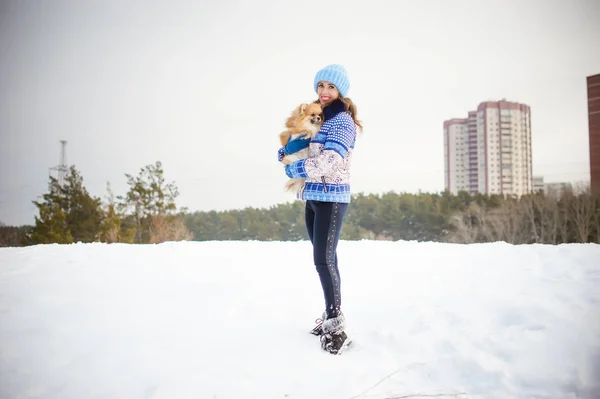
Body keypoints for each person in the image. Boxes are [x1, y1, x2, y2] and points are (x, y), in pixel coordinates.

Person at [277, 64, 362, 354]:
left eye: (331, 87)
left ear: (340, 91)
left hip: (332, 198)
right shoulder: (319, 118)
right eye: (321, 86)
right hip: (313, 196)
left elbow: (329, 162)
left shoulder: (342, 122)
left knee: (323, 260)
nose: (324, 92)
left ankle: (336, 327)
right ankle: (329, 315)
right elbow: (293, 143)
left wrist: (294, 169)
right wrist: (284, 152)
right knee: (325, 258)